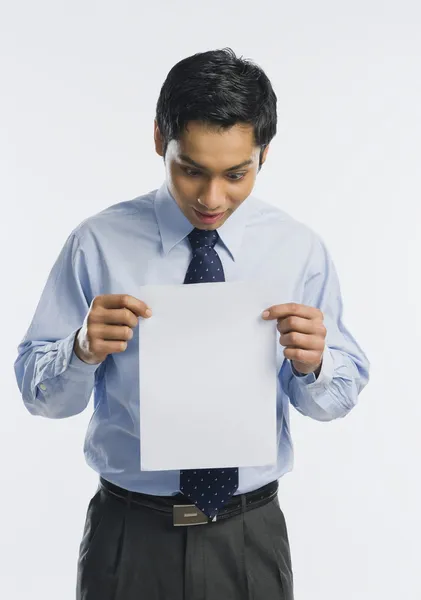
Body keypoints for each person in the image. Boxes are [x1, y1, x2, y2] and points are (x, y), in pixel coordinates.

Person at [14, 48, 370, 600]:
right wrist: (80, 348)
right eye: (191, 170)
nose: (211, 198)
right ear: (161, 139)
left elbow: (336, 400)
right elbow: (41, 398)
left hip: (251, 534)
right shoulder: (97, 243)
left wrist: (314, 363)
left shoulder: (298, 250)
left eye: (236, 174)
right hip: (129, 536)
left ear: (264, 154)